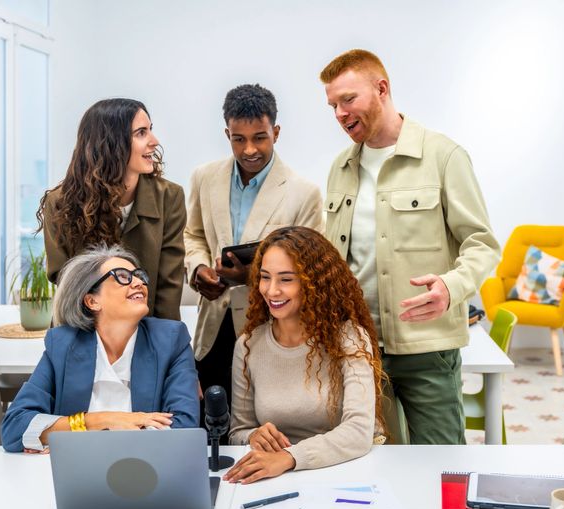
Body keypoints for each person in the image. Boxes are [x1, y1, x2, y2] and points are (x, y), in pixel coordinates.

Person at [319, 49, 501, 444]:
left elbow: (482, 243)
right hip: (358, 347)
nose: (339, 113)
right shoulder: (340, 168)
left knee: (439, 465)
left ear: (381, 89)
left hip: (427, 348)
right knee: (374, 465)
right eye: (333, 105)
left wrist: (451, 288)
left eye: (348, 99)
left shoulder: (443, 156)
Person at [184, 84, 323, 409]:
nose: (249, 149)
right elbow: (194, 235)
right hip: (213, 332)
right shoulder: (204, 177)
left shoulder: (304, 193)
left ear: (275, 132)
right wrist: (199, 268)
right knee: (211, 429)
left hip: (272, 331)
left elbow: (312, 270)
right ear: (227, 133)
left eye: (259, 137)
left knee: (265, 429)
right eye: (238, 138)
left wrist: (254, 276)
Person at [224, 226, 385, 484]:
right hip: (275, 477)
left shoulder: (348, 338)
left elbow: (358, 432)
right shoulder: (248, 345)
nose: (271, 290)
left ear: (314, 283)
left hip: (346, 473)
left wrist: (290, 457)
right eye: (265, 277)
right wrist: (253, 435)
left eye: (286, 279)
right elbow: (238, 431)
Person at [1, 244, 199, 453]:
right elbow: (14, 428)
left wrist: (67, 436)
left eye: (139, 276)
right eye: (123, 277)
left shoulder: (171, 340)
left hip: (145, 473)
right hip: (75, 475)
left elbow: (183, 428)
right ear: (92, 301)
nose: (139, 282)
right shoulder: (62, 345)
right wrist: (102, 420)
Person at [36, 98, 186, 320]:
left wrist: (166, 346)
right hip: (81, 331)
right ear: (111, 143)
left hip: (146, 333)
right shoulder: (60, 203)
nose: (154, 141)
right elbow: (67, 283)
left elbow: (168, 289)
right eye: (141, 133)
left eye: (150, 130)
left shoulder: (169, 197)